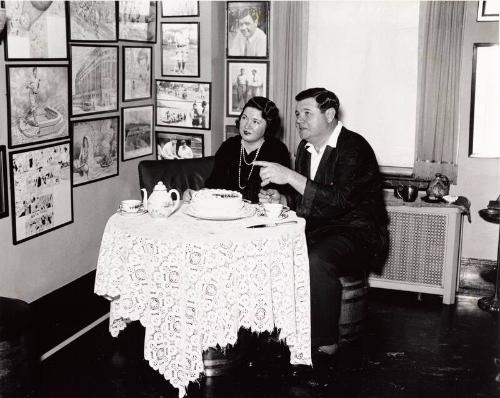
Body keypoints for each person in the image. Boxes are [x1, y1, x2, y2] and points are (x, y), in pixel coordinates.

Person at [254, 88, 389, 382]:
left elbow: (339, 201)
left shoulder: (354, 148)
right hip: (322, 228)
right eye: (298, 114)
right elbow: (307, 202)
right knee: (270, 247)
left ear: (329, 115)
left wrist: (289, 176)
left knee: (316, 260)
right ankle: (281, 328)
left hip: (359, 232)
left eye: (307, 113)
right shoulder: (305, 148)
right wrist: (281, 200)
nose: (300, 120)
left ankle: (325, 346)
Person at [183, 96, 290, 203]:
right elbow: (213, 187)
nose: (247, 126)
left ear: (268, 126)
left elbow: (284, 197)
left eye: (255, 121)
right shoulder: (229, 146)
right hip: (227, 213)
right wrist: (196, 194)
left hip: (261, 215)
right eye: (244, 118)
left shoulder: (278, 151)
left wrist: (278, 198)